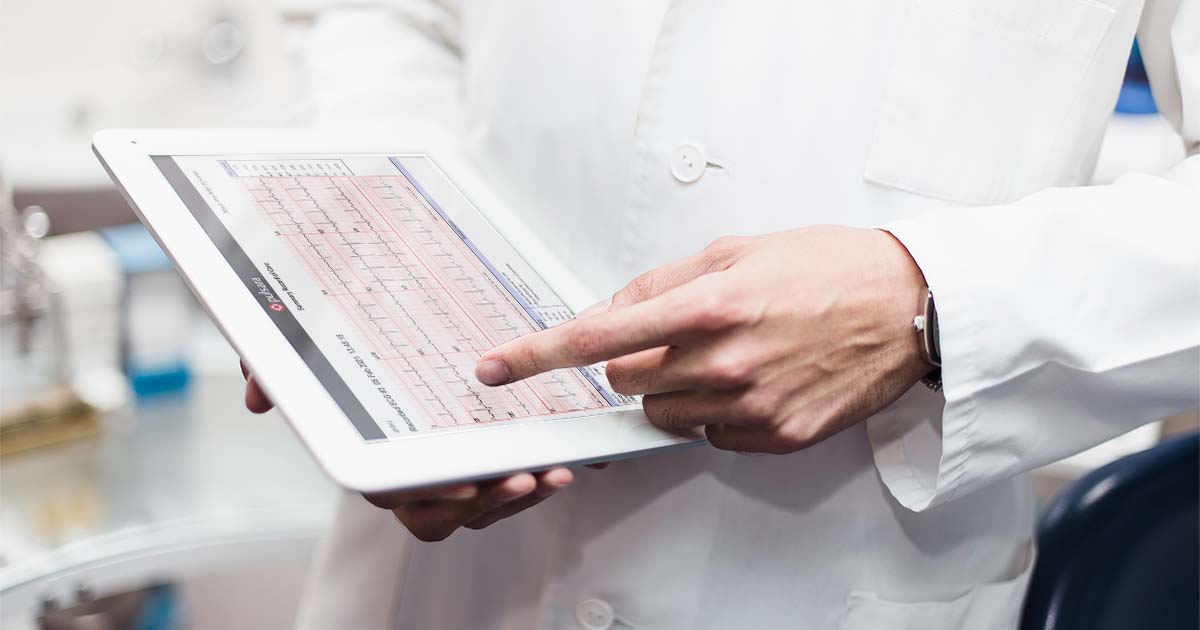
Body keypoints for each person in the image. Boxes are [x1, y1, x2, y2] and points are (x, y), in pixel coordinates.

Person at [242, 1, 1199, 628]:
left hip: (832, 573)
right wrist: (367, 231)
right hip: (441, 574)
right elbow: (388, 20)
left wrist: (932, 302)